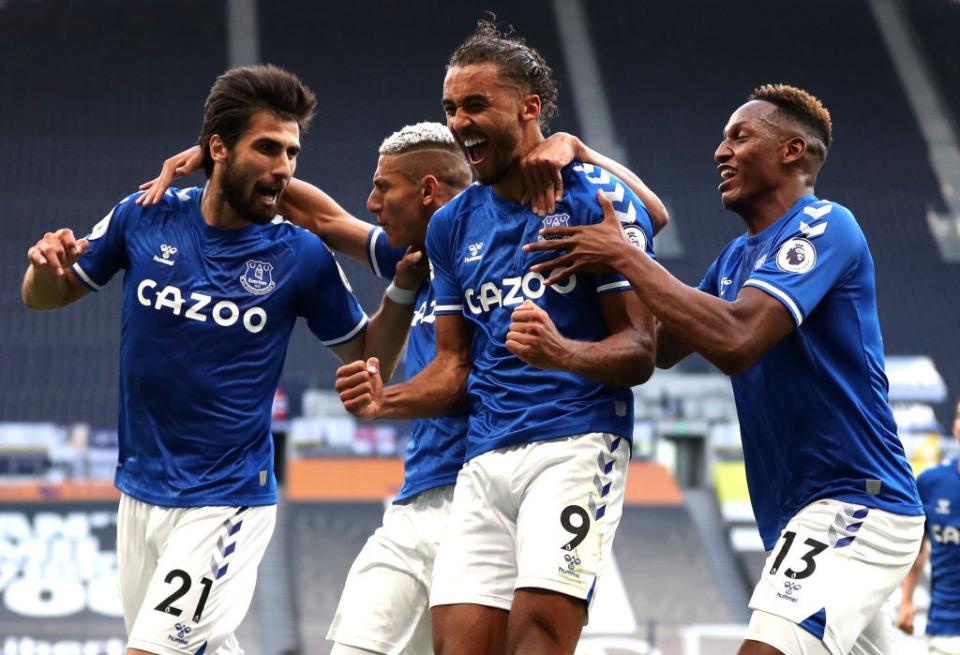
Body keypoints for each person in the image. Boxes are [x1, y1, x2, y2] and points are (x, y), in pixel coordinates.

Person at [140, 118, 669, 654]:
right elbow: (318, 217)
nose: (371, 203)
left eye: (382, 189)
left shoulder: (515, 242)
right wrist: (220, 160)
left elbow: (649, 215)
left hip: (483, 489)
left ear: (428, 190)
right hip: (415, 499)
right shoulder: (415, 255)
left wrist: (580, 152)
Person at [21, 64, 417, 655]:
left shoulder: (300, 255)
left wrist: (404, 292)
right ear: (218, 149)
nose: (283, 167)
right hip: (139, 492)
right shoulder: (145, 213)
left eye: (292, 152)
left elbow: (368, 357)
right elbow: (46, 297)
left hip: (224, 499)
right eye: (267, 148)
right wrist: (42, 267)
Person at [524, 83, 926, 655]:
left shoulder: (826, 226)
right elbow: (656, 349)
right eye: (722, 139)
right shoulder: (736, 260)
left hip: (856, 501)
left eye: (740, 137)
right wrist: (590, 162)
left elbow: (738, 339)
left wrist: (624, 255)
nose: (720, 151)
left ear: (793, 150)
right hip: (794, 514)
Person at [334, 20, 659, 655]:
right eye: (452, 107)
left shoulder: (596, 198)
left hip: (576, 442)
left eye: (476, 104)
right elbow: (454, 367)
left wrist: (560, 352)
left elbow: (641, 351)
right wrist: (385, 400)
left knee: (536, 639)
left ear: (528, 107)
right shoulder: (452, 225)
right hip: (483, 460)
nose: (460, 122)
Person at [898, 399, 960, 654]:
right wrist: (906, 602)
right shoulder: (931, 483)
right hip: (945, 630)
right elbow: (917, 549)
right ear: (956, 427)